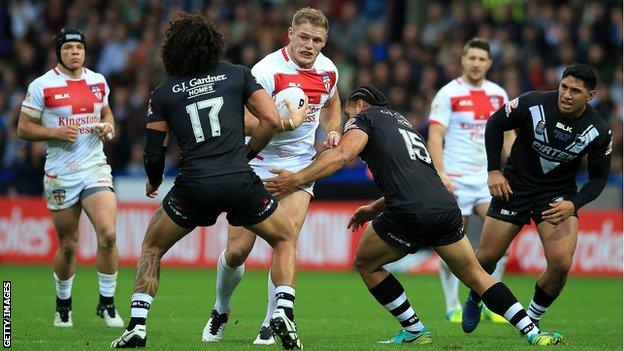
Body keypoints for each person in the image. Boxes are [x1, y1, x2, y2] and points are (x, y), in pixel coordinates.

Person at [266, 85, 564, 346]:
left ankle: (414, 328)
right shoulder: (404, 125)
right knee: (476, 275)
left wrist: (297, 178)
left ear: (359, 105)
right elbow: (415, 177)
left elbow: (343, 155)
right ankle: (532, 332)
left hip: (408, 212)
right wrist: (374, 207)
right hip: (444, 207)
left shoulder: (363, 118)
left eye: (346, 114)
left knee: (366, 263)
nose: (346, 122)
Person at [110, 13, 308, 349]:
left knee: (153, 248)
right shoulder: (236, 75)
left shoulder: (164, 93)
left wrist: (153, 181)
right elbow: (271, 120)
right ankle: (283, 312)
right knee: (285, 238)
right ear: (213, 43)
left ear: (172, 49)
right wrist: (246, 155)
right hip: (239, 181)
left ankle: (137, 327)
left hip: (193, 186)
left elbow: (153, 152)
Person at [203, 7, 342, 346]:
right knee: (237, 251)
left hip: (299, 167)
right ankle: (221, 309)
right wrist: (281, 122)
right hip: (257, 164)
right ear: (290, 35)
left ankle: (271, 323)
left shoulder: (328, 70)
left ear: (324, 43)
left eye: (318, 41)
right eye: (304, 37)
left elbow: (332, 104)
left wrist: (334, 130)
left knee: (286, 241)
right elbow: (240, 119)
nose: (310, 46)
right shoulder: (266, 71)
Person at [461, 63, 612, 333]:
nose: (566, 94)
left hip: (556, 197)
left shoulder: (598, 130)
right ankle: (476, 296)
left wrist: (573, 205)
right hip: (514, 188)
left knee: (561, 264)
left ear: (590, 95)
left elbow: (598, 179)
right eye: (564, 86)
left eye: (575, 91)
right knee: (485, 259)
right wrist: (494, 170)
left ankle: (533, 316)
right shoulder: (533, 103)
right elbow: (496, 123)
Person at [17, 28, 123, 328]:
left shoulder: (98, 81)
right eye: (68, 48)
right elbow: (23, 128)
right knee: (68, 244)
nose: (74, 52)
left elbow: (109, 116)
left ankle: (107, 304)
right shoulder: (42, 86)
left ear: (85, 51)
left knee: (109, 234)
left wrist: (108, 128)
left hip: (94, 167)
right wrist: (53, 132)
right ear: (59, 53)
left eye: (78, 47)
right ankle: (63, 306)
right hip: (61, 173)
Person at [427, 38, 511, 323]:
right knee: (453, 245)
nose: (476, 63)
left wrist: (512, 171)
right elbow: (435, 136)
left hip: (487, 179)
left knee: (502, 240)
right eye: (471, 58)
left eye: (481, 59)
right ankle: (452, 305)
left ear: (489, 63)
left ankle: (489, 302)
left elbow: (509, 137)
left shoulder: (499, 95)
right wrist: (440, 172)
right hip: (456, 179)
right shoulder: (448, 93)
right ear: (463, 59)